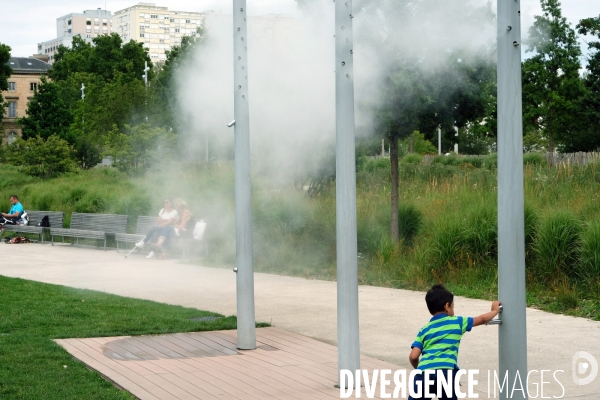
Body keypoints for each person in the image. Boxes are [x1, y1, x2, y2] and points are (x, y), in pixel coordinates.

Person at [408, 284, 501, 400]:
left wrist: (419, 369)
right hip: (445, 373)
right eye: (453, 306)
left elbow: (413, 356)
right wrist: (495, 310)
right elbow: (481, 319)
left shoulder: (424, 330)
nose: (453, 309)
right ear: (447, 306)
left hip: (423, 375)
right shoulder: (457, 322)